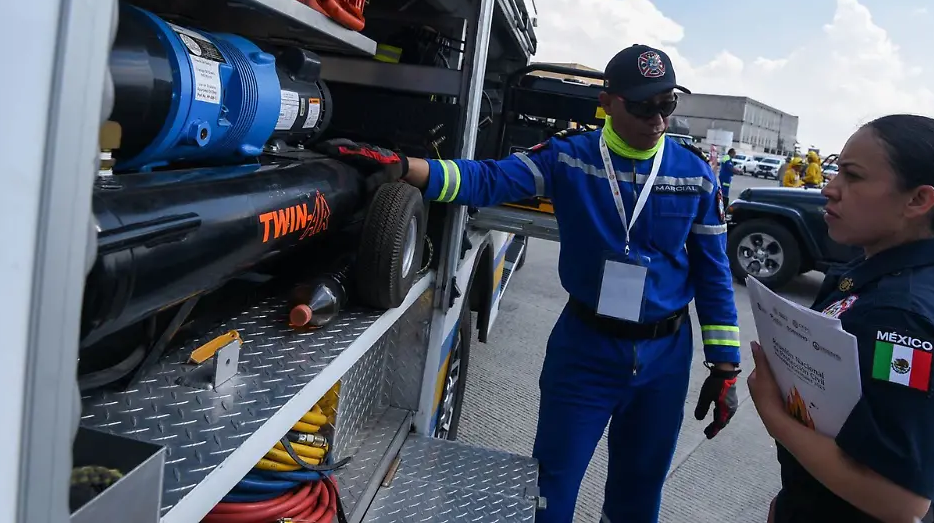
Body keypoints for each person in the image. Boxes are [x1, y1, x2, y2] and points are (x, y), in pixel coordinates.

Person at [316, 45, 742, 523]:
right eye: (644, 106)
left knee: (640, 491)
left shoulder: (696, 175)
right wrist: (407, 167)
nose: (658, 120)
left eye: (668, 104)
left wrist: (725, 366)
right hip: (586, 352)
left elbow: (713, 273)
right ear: (607, 103)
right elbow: (489, 180)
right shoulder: (569, 158)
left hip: (665, 358)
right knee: (550, 486)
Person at [746, 114, 934, 523]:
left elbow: (901, 501)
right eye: (837, 170)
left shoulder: (902, 319)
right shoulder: (878, 271)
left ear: (918, 201)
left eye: (853, 177)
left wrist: (774, 415)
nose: (829, 188)